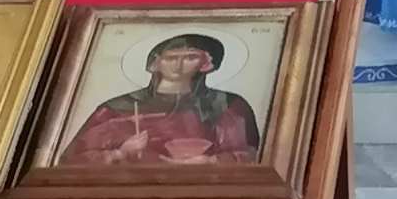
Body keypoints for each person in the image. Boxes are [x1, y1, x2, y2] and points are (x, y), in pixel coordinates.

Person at [60, 34, 260, 165]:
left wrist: (210, 162)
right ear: (156, 63)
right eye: (171, 58)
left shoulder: (226, 105)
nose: (178, 66)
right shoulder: (116, 108)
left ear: (206, 63)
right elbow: (72, 161)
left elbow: (251, 156)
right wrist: (119, 154)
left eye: (190, 57)